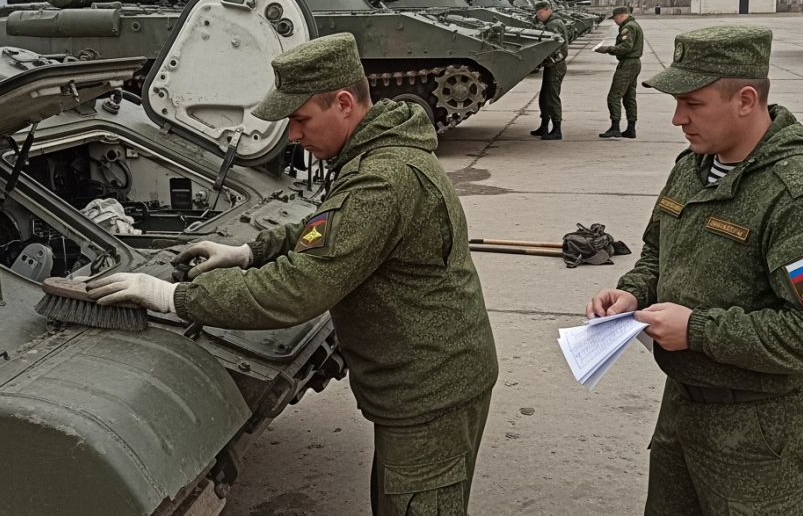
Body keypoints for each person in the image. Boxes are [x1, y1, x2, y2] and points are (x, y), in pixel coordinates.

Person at [88, 33, 499, 516]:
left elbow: (297, 291)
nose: (295, 136)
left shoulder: (382, 180)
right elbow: (328, 229)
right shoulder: (380, 154)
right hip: (427, 381)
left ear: (343, 103)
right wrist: (247, 251)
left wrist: (171, 296)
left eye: (301, 119)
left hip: (430, 394)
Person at [585, 25, 803, 514]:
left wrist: (698, 331)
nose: (677, 119)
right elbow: (657, 248)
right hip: (682, 413)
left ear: (746, 100)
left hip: (755, 435)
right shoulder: (693, 165)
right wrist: (632, 292)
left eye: (692, 103)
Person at [593, 6, 642, 138]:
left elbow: (627, 46)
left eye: (615, 18)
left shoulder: (629, 27)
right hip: (633, 63)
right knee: (629, 96)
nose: (614, 21)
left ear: (621, 16)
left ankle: (615, 127)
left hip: (628, 63)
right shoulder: (632, 24)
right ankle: (631, 129)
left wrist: (609, 49)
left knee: (614, 96)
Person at [530, 0, 571, 140]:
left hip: (555, 65)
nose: (538, 15)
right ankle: (544, 126)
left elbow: (553, 47)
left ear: (548, 10)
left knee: (552, 98)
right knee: (544, 97)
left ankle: (557, 129)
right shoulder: (553, 22)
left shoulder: (553, 25)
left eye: (540, 12)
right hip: (552, 65)